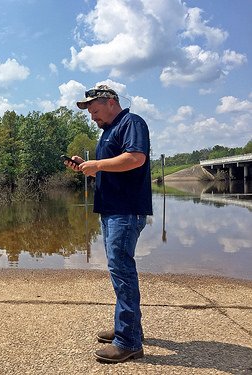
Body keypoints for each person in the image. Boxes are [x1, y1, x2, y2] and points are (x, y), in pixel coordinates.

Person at [65, 84, 152, 363]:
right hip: (112, 211)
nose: (92, 116)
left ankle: (128, 341)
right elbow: (114, 168)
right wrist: (87, 166)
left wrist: (98, 165)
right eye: (90, 112)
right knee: (119, 270)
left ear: (111, 101)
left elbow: (136, 159)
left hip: (125, 212)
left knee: (122, 270)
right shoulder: (108, 133)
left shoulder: (131, 122)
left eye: (95, 110)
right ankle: (126, 328)